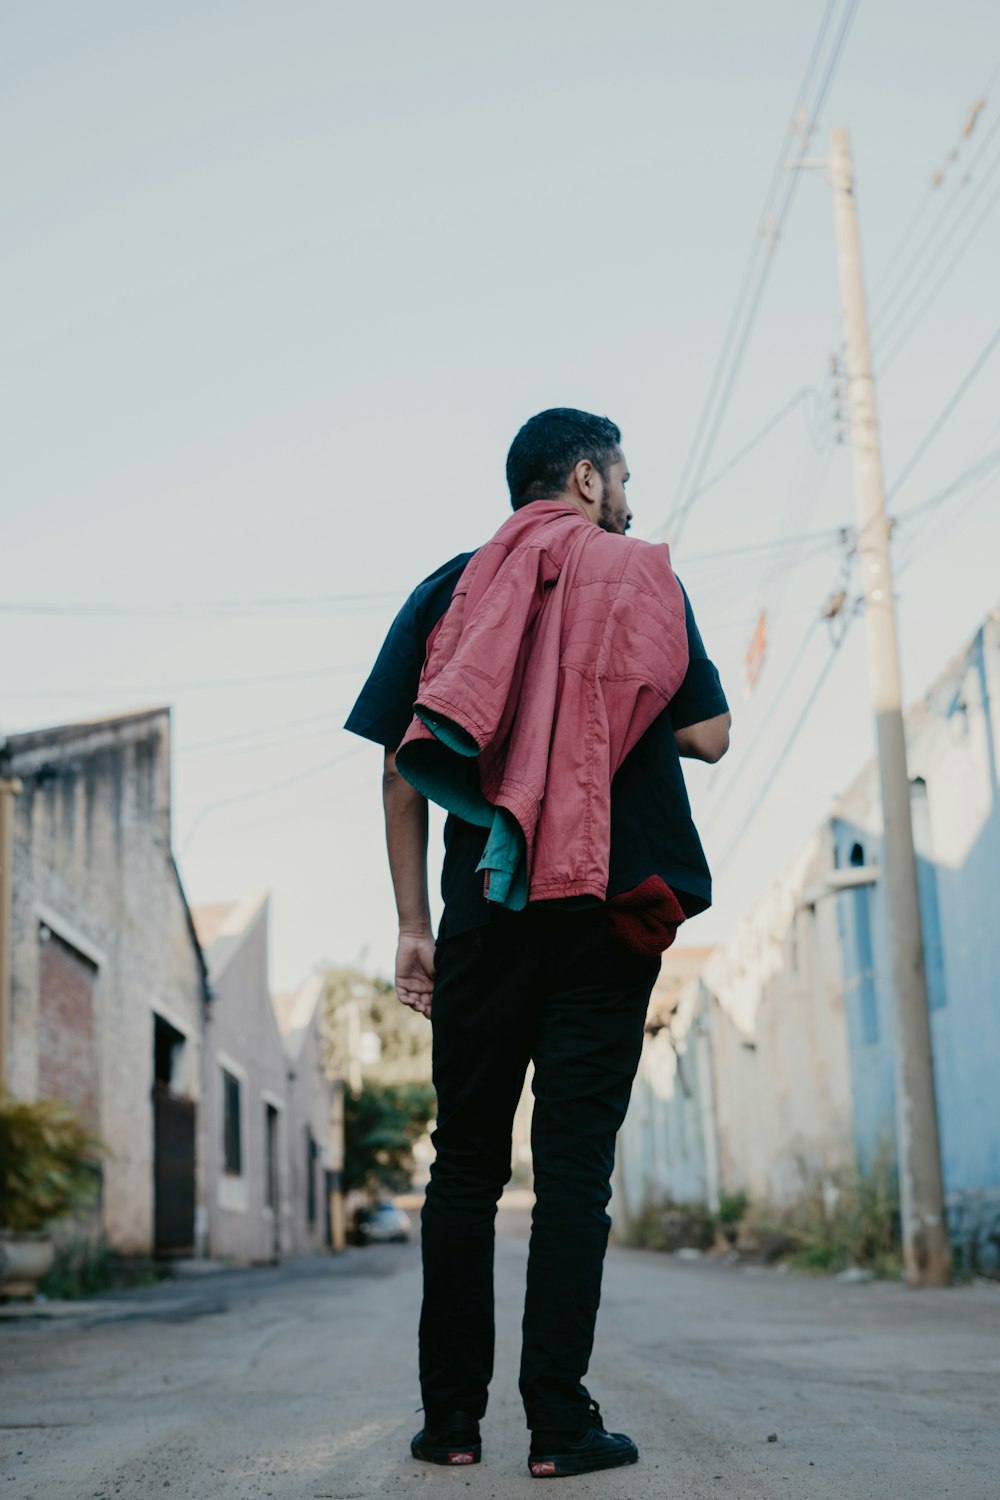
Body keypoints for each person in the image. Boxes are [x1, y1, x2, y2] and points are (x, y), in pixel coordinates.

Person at [345, 408, 730, 1480]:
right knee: (570, 1178)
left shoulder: (449, 591)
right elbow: (708, 734)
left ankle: (450, 1425)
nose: (626, 493)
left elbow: (398, 764)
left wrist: (413, 926)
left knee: (463, 1168)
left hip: (484, 907)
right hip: (608, 910)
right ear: (584, 479)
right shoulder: (642, 577)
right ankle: (560, 1428)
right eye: (620, 474)